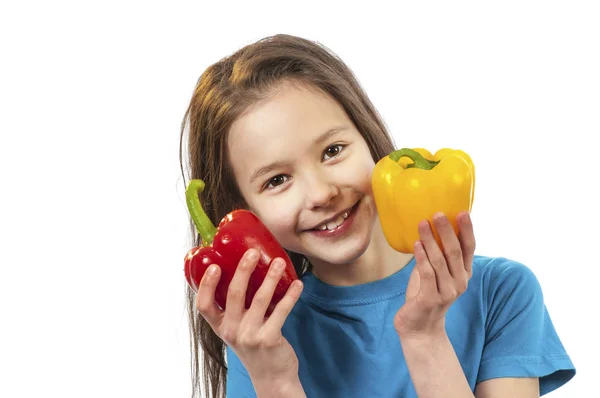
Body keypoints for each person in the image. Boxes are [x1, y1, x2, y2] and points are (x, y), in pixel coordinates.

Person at [179, 34, 575, 398]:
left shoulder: (500, 292)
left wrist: (424, 337)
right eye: (278, 179)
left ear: (368, 138)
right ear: (245, 210)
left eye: (333, 150)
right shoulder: (262, 337)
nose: (322, 193)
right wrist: (275, 379)